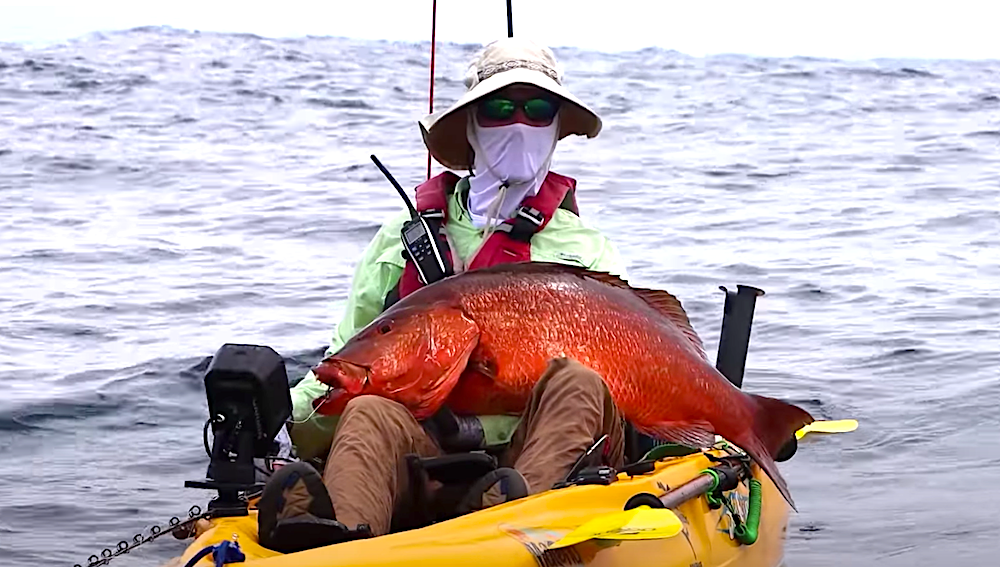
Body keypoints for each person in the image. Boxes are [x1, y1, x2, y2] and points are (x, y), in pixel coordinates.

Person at [257, 36, 631, 551]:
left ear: (558, 128)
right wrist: (277, 423)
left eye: (538, 108)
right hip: (421, 454)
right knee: (366, 411)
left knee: (580, 384)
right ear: (471, 126)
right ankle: (335, 544)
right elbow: (346, 359)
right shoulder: (398, 242)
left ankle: (518, 536)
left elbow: (631, 362)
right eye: (499, 108)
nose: (519, 123)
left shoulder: (588, 251)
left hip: (532, 461)